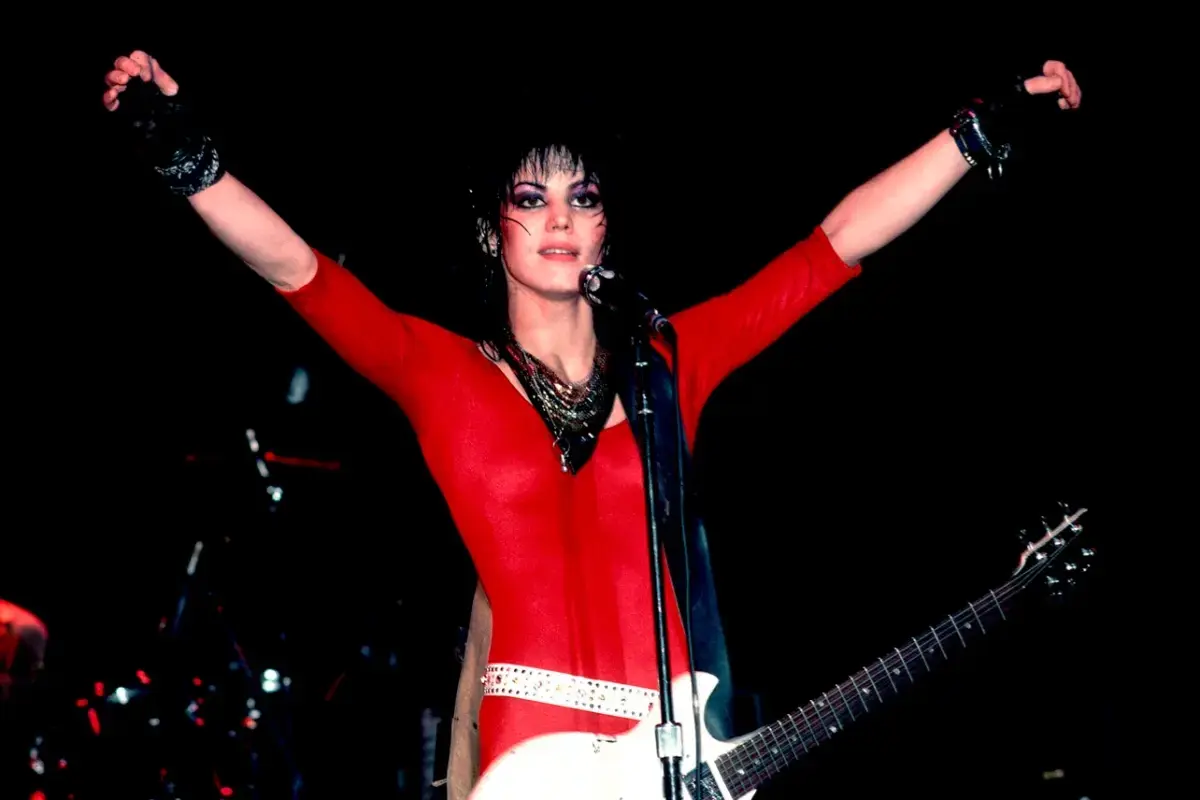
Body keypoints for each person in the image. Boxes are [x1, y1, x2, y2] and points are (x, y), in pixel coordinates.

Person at [100, 51, 1081, 799]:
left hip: (689, 739)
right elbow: (298, 269)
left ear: (609, 223)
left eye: (584, 195)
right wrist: (188, 157)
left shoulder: (666, 362)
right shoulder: (440, 371)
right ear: (494, 227)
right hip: (539, 759)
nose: (561, 218)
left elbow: (829, 248)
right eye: (532, 197)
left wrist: (976, 134)